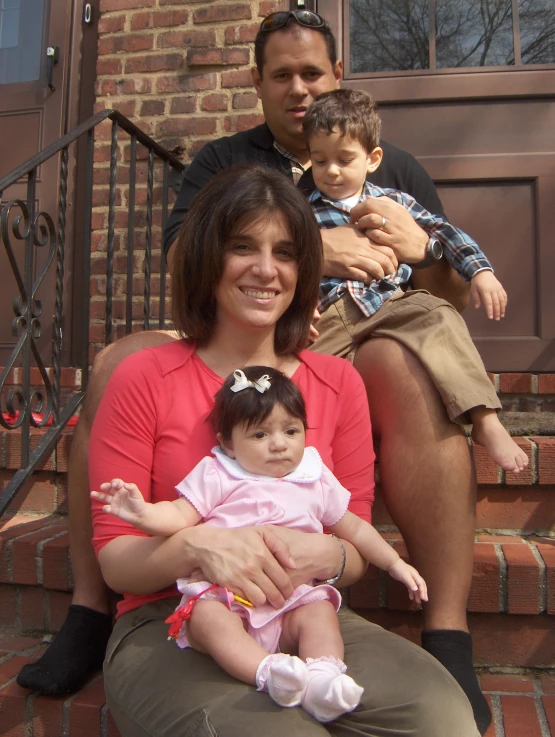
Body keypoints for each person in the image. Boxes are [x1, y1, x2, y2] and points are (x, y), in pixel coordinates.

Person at [17, 9, 491, 735]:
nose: (299, 88)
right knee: (119, 359)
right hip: (192, 568)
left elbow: (446, 298)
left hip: (339, 341)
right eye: (282, 75)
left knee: (402, 361)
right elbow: (187, 259)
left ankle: (447, 629)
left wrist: (425, 252)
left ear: (337, 77)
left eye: (312, 74)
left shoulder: (389, 165)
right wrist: (317, 247)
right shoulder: (223, 160)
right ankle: (90, 609)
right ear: (257, 83)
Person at [88, 164, 478, 736]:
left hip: (302, 610)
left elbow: (353, 544)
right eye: (242, 246)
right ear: (206, 258)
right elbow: (116, 559)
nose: (266, 270)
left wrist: (331, 559)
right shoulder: (144, 376)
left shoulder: (337, 384)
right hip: (175, 618)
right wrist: (200, 545)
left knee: (442, 719)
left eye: (287, 252)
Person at [91, 365, 427, 723]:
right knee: (206, 619)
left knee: (320, 614)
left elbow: (356, 530)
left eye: (291, 430)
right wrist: (142, 514)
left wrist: (395, 564)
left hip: (291, 598)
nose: (279, 444)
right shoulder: (218, 473)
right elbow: (177, 516)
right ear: (227, 444)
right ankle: (267, 672)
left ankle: (322, 678)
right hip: (227, 596)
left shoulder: (314, 478)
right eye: (260, 435)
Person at [302, 88, 527, 474]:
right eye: (320, 160)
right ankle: (304, 459)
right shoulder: (300, 209)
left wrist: (481, 272)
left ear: (372, 159)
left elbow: (445, 233)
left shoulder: (395, 202)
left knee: (439, 315)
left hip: (391, 305)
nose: (332, 171)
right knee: (298, 377)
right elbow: (291, 263)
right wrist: (299, 303)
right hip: (331, 315)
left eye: (344, 159)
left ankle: (485, 418)